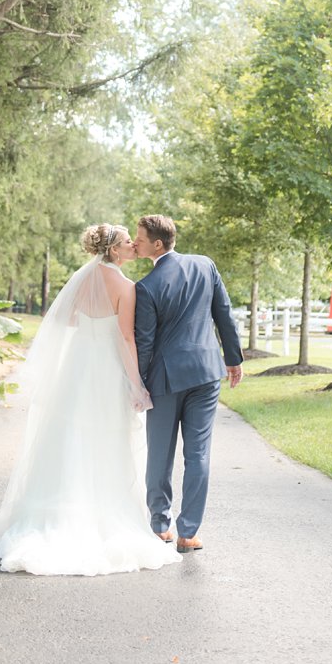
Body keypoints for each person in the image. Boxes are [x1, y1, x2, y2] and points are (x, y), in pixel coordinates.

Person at [0, 224, 181, 575]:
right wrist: (136, 384)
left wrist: (91, 331)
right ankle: (98, 512)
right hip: (107, 370)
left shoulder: (83, 279)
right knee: (103, 439)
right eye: (128, 242)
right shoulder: (127, 288)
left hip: (78, 368)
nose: (133, 246)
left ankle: (52, 510)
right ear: (113, 250)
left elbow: (66, 319)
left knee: (68, 436)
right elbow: (127, 339)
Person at [132, 213, 243, 553]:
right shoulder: (205, 266)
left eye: (139, 237)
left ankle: (160, 525)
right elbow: (224, 313)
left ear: (158, 244)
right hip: (207, 372)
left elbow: (145, 342)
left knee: (160, 455)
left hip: (166, 379)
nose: (135, 242)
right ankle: (188, 533)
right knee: (198, 454)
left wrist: (139, 380)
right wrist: (233, 358)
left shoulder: (146, 287)